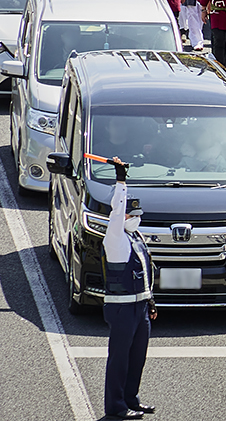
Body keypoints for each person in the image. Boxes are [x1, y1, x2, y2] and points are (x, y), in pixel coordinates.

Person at [101, 158, 156, 420]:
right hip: (121, 308)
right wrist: (121, 182)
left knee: (137, 358)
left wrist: (150, 301)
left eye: (137, 215)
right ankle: (116, 406)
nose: (135, 219)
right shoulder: (115, 237)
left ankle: (131, 399)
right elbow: (116, 211)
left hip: (140, 306)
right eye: (131, 215)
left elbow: (145, 270)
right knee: (119, 360)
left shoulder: (136, 237)